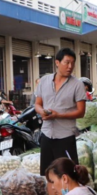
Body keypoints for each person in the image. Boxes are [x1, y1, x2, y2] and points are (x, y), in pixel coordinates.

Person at [35, 48, 86, 176]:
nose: (70, 66)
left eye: (72, 63)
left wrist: (58, 115)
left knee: (67, 175)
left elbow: (81, 112)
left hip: (65, 136)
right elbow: (37, 104)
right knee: (47, 173)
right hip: (46, 134)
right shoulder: (44, 81)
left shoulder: (77, 85)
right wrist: (41, 112)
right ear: (57, 62)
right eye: (67, 62)